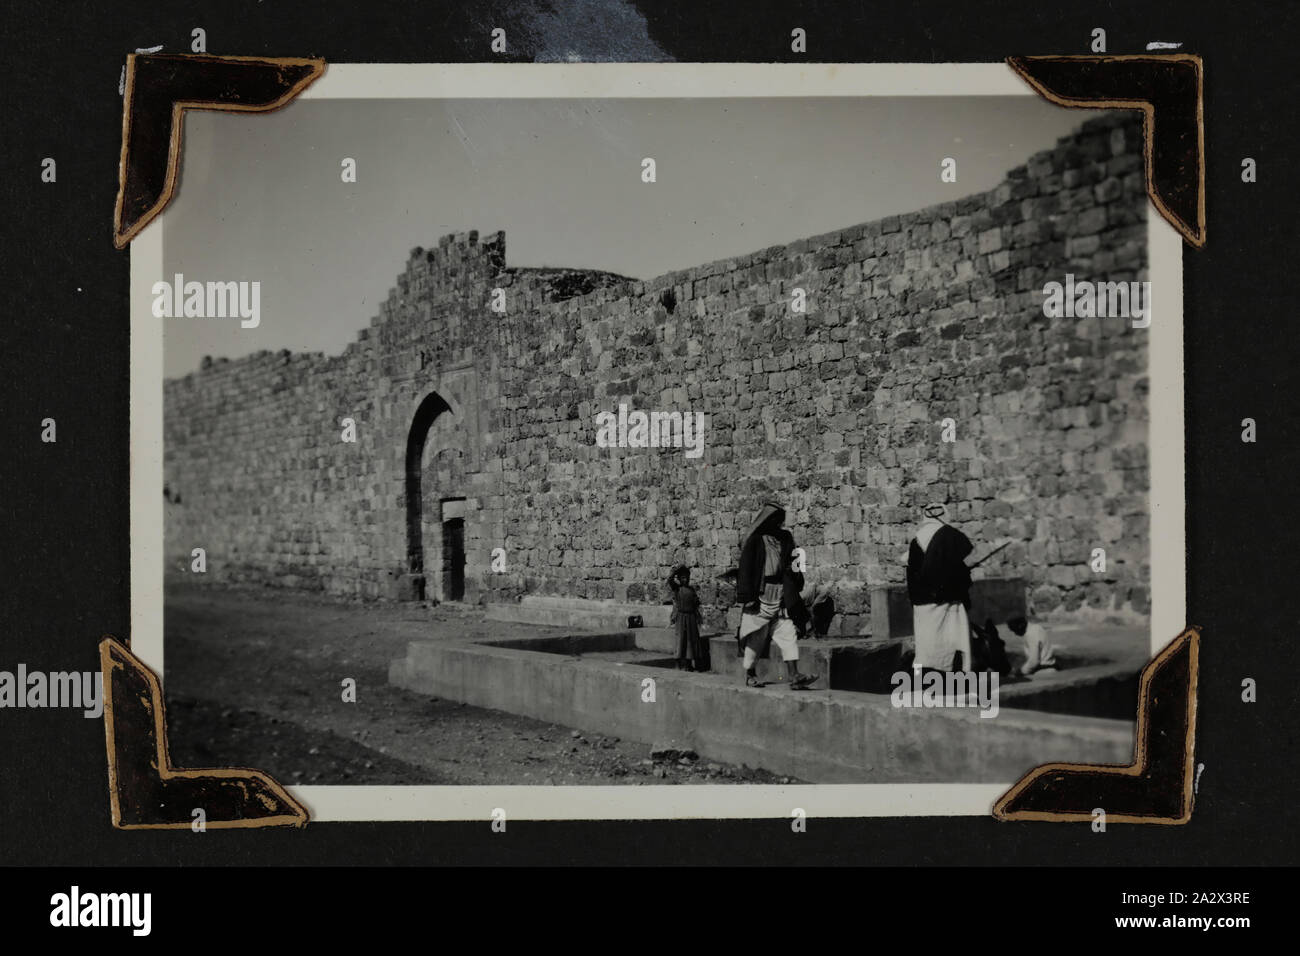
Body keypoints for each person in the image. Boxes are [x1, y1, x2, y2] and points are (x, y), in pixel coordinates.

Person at [735, 503, 819, 689]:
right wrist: (748, 596)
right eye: (776, 519)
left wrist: (796, 579)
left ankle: (795, 676)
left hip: (781, 593)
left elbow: (795, 561)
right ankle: (750, 675)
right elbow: (746, 569)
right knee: (756, 638)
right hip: (761, 595)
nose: (780, 523)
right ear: (768, 520)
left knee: (788, 634)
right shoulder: (756, 540)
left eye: (781, 519)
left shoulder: (785, 538)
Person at [906, 503, 974, 674]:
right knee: (951, 643)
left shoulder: (916, 540)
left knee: (927, 643)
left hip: (922, 603)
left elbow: (915, 572)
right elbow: (956, 568)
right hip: (946, 602)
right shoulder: (950, 536)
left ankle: (925, 679)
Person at [667, 565, 708, 672]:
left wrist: (699, 618)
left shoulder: (692, 590)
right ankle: (677, 663)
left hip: (691, 618)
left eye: (687, 577)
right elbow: (670, 580)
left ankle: (689, 664)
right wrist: (674, 572)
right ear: (679, 579)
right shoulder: (677, 589)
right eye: (683, 578)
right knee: (680, 639)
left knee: (691, 640)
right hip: (681, 617)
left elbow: (695, 605)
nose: (686, 579)